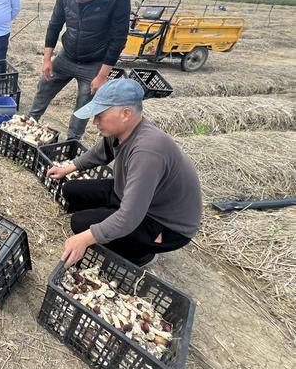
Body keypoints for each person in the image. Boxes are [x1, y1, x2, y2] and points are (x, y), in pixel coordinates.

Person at [47, 79, 202, 268]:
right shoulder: (122, 130)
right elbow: (100, 153)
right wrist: (69, 167)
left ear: (126, 114)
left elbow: (130, 217)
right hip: (133, 196)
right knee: (71, 189)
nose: (94, 122)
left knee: (80, 225)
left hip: (162, 223)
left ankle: (141, 255)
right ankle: (112, 221)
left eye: (100, 116)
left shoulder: (147, 151)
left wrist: (86, 238)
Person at [28, 0, 131, 140]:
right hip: (67, 55)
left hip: (94, 62)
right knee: (44, 86)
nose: (77, 1)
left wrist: (101, 76)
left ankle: (72, 141)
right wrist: (47, 59)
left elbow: (118, 38)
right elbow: (55, 23)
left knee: (83, 104)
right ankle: (28, 124)